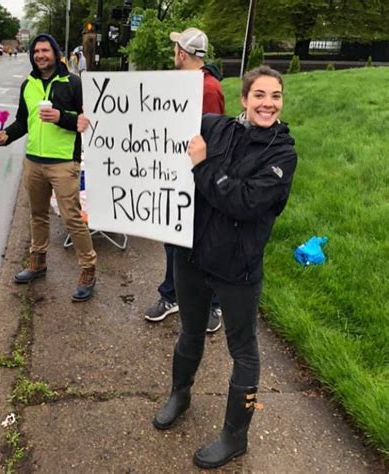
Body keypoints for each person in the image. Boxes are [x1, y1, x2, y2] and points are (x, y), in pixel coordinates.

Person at [153, 66, 298, 469]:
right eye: (260, 95)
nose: (268, 103)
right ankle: (179, 395)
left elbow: (245, 202)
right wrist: (97, 125)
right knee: (190, 332)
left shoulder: (282, 153)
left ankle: (235, 437)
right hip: (193, 255)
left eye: (276, 96)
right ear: (244, 99)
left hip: (238, 267)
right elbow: (157, 125)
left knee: (243, 350)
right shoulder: (216, 128)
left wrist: (201, 168)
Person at [0, 33, 97, 302]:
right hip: (34, 161)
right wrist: (7, 137)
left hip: (63, 162)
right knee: (37, 215)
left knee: (72, 218)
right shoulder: (28, 85)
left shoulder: (73, 83)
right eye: (36, 51)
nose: (40, 55)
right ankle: (37, 262)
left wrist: (61, 117)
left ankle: (88, 269)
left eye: (45, 51)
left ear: (56, 53)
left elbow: (88, 121)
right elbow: (22, 121)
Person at [145, 27, 225, 334]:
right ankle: (172, 294)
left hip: (197, 180)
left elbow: (213, 138)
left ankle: (214, 303)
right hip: (174, 176)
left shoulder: (208, 89)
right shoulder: (180, 84)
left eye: (175, 49)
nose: (173, 53)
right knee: (173, 240)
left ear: (182, 53)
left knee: (202, 244)